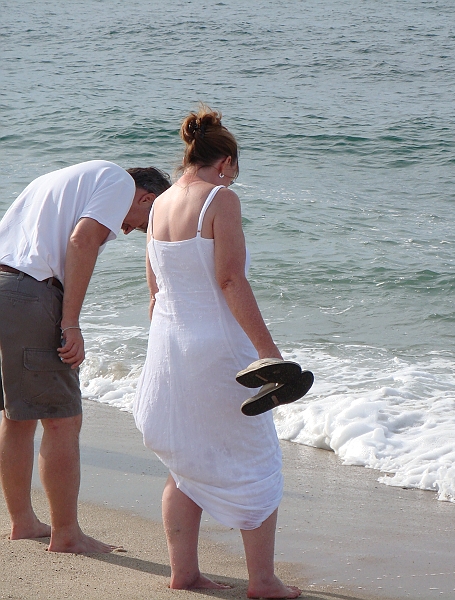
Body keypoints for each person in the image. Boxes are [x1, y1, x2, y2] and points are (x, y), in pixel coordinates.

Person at [132, 106, 301, 598]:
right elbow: (230, 280)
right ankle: (262, 581)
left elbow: (155, 293)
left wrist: (165, 358)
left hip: (169, 347)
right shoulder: (220, 200)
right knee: (256, 461)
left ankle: (184, 573)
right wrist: (270, 355)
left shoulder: (159, 205)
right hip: (217, 348)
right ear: (224, 161)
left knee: (186, 466)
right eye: (233, 169)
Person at [0, 161, 171, 553]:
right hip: (30, 295)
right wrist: (71, 322)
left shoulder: (59, 180)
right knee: (62, 419)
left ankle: (23, 522)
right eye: (143, 224)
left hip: (4, 285)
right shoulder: (118, 181)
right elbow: (82, 241)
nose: (129, 230)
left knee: (17, 415)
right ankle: (66, 535)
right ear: (147, 198)